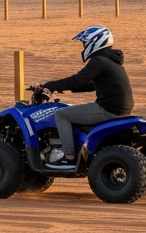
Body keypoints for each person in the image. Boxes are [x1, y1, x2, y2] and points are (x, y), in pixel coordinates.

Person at [39, 25, 133, 163]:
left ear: (95, 42)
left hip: (107, 109)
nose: (84, 46)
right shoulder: (112, 61)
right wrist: (66, 88)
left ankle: (68, 155)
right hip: (122, 110)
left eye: (85, 43)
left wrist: (50, 85)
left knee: (61, 114)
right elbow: (91, 85)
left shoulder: (99, 61)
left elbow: (77, 80)